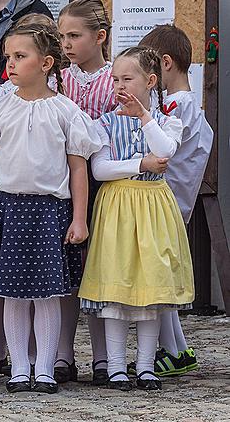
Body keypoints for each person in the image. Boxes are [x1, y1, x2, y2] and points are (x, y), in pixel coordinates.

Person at [0, 20, 103, 394]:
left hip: (48, 212)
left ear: (45, 63)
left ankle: (45, 367)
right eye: (8, 56)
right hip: (9, 209)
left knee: (46, 293)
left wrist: (78, 218)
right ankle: (19, 368)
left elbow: (78, 168)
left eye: (20, 56)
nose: (10, 63)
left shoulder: (66, 111)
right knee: (12, 293)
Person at [79, 46, 194, 392]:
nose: (118, 85)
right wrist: (138, 165)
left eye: (127, 79)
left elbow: (165, 150)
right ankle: (115, 367)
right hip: (118, 207)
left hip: (153, 208)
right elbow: (100, 169)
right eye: (115, 79)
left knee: (150, 291)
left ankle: (145, 367)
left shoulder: (165, 121)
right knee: (116, 290)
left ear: (150, 81)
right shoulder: (104, 123)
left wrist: (144, 117)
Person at [139, 25, 213, 377]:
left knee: (159, 280)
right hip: (172, 200)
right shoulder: (189, 104)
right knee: (160, 276)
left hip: (165, 202)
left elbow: (160, 146)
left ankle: (172, 348)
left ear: (164, 64)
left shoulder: (177, 106)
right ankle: (177, 349)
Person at [55, 0, 115, 385]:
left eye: (75, 35)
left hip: (104, 181)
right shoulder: (57, 79)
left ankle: (104, 356)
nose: (67, 44)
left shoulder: (117, 78)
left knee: (97, 269)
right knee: (64, 270)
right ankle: (61, 354)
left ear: (100, 37)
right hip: (62, 181)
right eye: (62, 37)